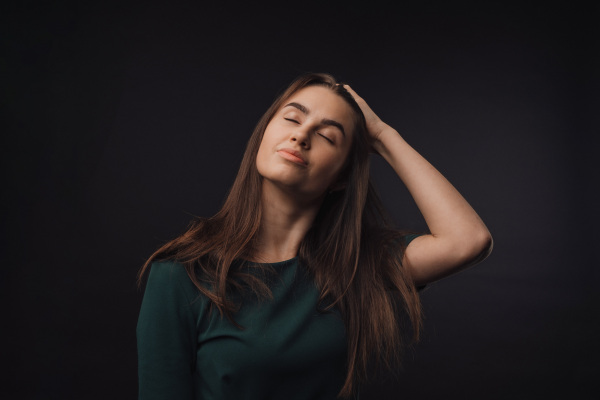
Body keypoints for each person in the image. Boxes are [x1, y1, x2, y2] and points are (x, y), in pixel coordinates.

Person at [136, 72, 493, 399]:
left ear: (340, 178)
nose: (301, 135)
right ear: (264, 134)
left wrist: (383, 136)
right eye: (292, 117)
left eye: (327, 136)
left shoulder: (357, 265)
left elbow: (468, 241)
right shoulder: (181, 274)